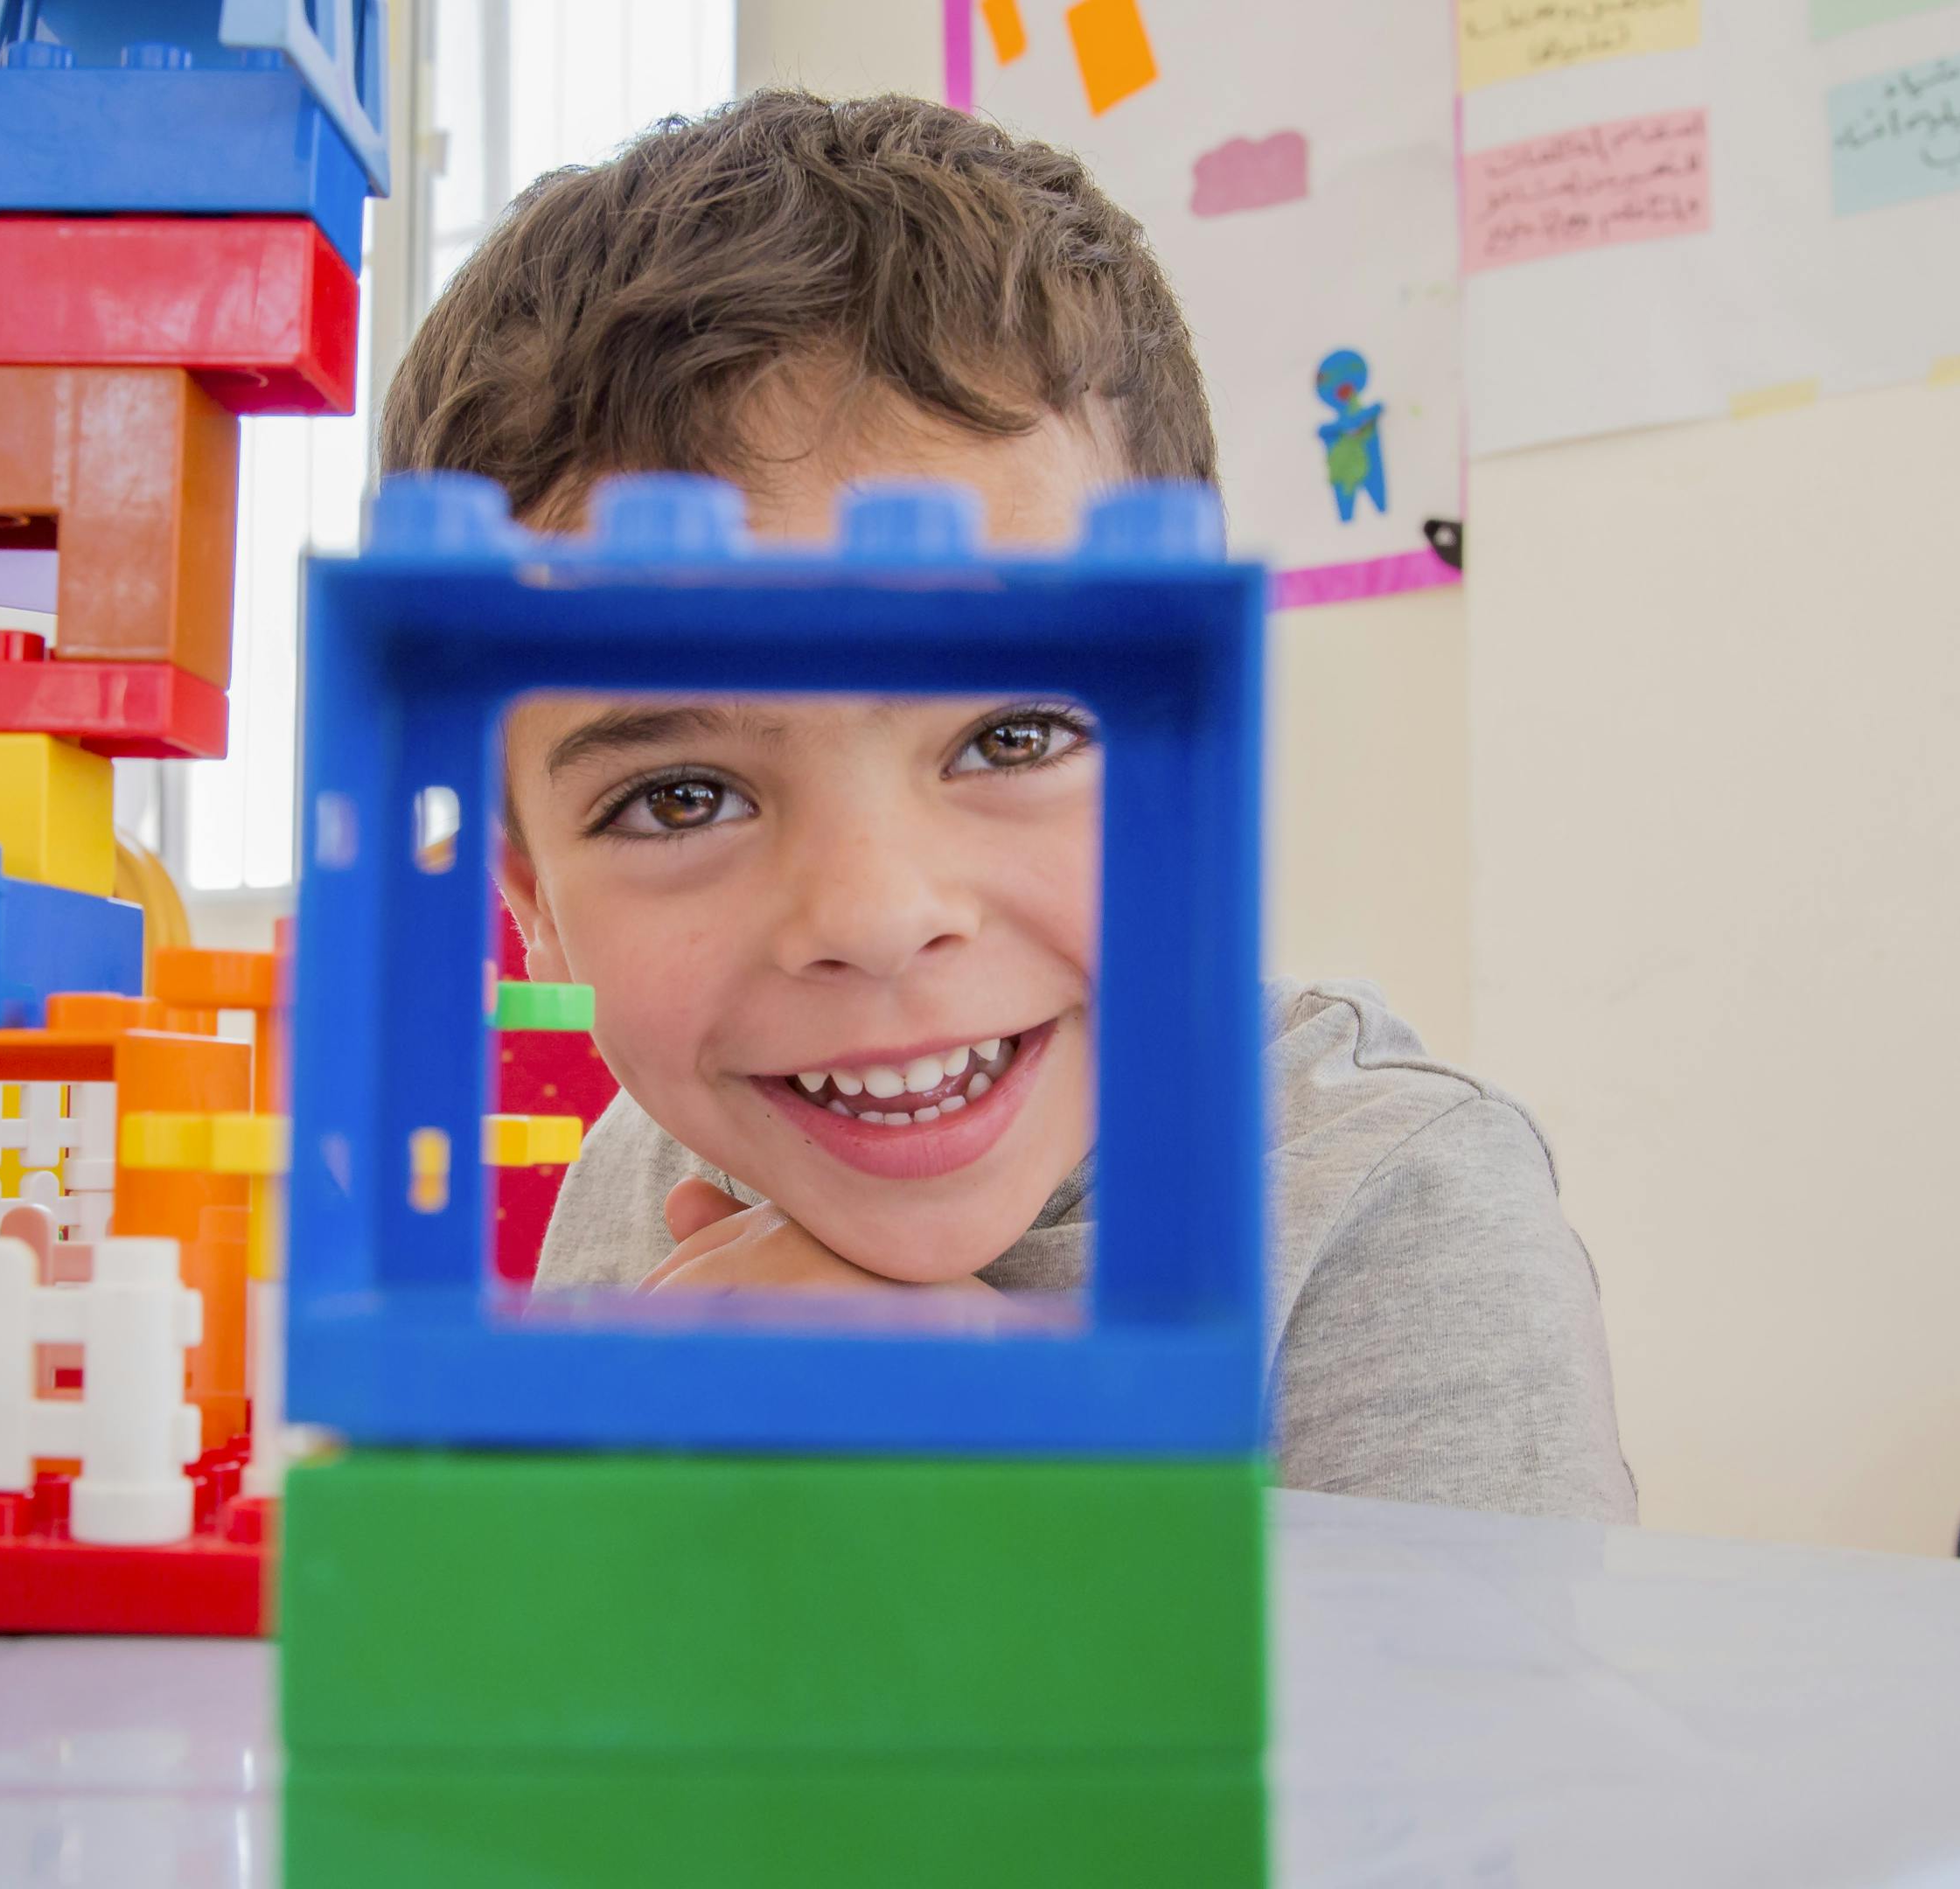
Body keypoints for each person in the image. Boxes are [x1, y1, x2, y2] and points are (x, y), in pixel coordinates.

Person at [382, 88, 1636, 1524]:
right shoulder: (637, 1179)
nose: (873, 914)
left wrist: (987, 1454)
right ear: (530, 896)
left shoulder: (1387, 1215)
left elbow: (1478, 1747)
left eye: (1016, 731)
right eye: (680, 798)